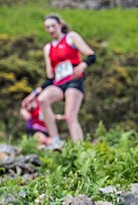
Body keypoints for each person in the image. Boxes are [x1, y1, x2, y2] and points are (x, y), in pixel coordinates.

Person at [22, 14, 95, 150]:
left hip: (74, 81)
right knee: (43, 99)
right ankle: (55, 140)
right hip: (58, 83)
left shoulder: (71, 37)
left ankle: (80, 149)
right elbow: (50, 78)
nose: (50, 29)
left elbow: (91, 55)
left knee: (70, 116)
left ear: (60, 25)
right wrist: (33, 95)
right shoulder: (48, 48)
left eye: (53, 26)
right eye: (47, 27)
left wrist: (82, 65)